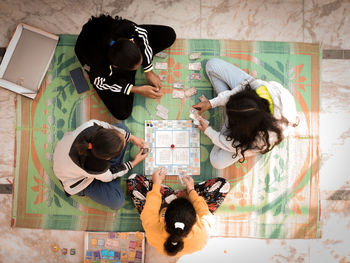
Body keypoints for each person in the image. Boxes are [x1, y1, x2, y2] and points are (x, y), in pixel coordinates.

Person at [193, 58, 298, 169]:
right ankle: (230, 106)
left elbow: (237, 147)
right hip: (250, 102)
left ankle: (229, 117)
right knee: (212, 65)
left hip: (250, 137)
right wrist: (211, 103)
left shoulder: (261, 140)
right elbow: (241, 88)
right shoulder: (260, 88)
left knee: (217, 162)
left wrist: (209, 131)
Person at [75, 14, 176, 120]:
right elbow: (100, 83)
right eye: (134, 68)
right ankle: (127, 76)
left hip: (109, 34)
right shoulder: (99, 68)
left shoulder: (126, 28)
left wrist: (148, 70)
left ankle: (131, 66)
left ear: (132, 43)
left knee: (169, 35)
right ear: (116, 67)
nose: (139, 68)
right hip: (91, 54)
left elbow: (142, 34)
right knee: (122, 113)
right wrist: (134, 89)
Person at [127, 169, 230, 257]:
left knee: (133, 181)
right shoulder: (204, 230)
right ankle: (180, 194)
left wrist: (156, 184)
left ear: (164, 216)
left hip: (165, 201)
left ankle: (170, 196)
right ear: (195, 219)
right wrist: (191, 190)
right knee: (223, 184)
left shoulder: (152, 228)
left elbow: (151, 208)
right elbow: (203, 210)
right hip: (186, 200)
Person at [53, 119, 148, 210]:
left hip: (67, 158)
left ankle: (115, 169)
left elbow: (105, 126)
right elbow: (109, 176)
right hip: (75, 181)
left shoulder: (91, 125)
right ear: (107, 158)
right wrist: (133, 163)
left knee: (123, 130)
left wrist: (131, 137)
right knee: (117, 202)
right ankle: (88, 189)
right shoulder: (94, 167)